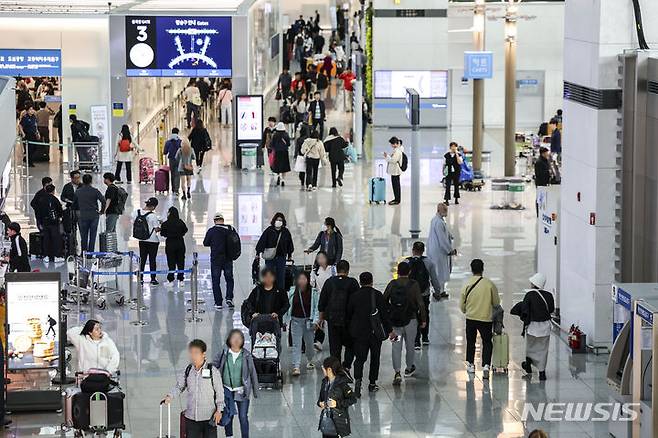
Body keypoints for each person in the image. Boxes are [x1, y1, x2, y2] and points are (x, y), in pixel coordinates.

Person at [164, 339, 224, 438]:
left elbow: (220, 393)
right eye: (191, 353)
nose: (193, 356)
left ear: (203, 354)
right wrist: (170, 396)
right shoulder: (188, 370)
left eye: (196, 353)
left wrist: (219, 410)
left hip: (209, 418)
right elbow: (179, 387)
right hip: (191, 418)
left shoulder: (213, 371)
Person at [347, 272, 395, 397]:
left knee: (359, 359)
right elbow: (384, 316)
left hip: (359, 333)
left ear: (360, 282)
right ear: (372, 281)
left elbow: (349, 314)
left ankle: (358, 381)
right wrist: (390, 330)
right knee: (375, 358)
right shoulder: (377, 295)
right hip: (375, 333)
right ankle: (372, 383)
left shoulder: (354, 296)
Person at [383, 262, 427, 385]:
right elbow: (421, 303)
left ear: (398, 272)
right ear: (409, 272)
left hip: (395, 322)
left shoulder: (392, 284)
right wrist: (423, 319)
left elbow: (384, 299)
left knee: (396, 347)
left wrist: (389, 313)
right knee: (410, 345)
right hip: (411, 321)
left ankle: (397, 372)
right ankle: (408, 368)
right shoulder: (414, 285)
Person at [213, 330, 259, 438]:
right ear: (229, 340)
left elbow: (252, 372)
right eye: (234, 337)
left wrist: (255, 391)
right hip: (226, 389)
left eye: (239, 338)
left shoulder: (246, 355)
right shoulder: (224, 353)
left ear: (243, 340)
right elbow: (214, 366)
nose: (237, 340)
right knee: (228, 415)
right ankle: (229, 436)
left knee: (243, 416)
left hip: (242, 390)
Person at [459, 259, 501, 379]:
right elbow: (496, 303)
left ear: (471, 269)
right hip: (486, 318)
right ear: (483, 269)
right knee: (487, 342)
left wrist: (466, 311)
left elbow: (462, 304)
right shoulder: (489, 284)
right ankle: (486, 365)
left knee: (471, 341)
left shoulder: (467, 284)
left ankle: (471, 365)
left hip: (471, 318)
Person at [511, 273, 555, 381]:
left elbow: (525, 311)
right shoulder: (549, 295)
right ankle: (542, 372)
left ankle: (528, 363)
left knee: (531, 348)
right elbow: (551, 310)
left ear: (534, 284)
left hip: (532, 327)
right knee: (543, 350)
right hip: (545, 327)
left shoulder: (529, 295)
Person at [317, 260, 359, 369]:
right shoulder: (353, 283)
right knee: (350, 345)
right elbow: (357, 302)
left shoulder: (329, 282)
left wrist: (320, 319)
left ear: (336, 270)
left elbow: (322, 302)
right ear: (348, 270)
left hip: (332, 320)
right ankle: (346, 366)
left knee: (335, 348)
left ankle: (337, 370)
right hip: (348, 321)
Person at [406, 241, 442, 349]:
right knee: (424, 313)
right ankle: (425, 337)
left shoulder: (406, 262)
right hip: (424, 293)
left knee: (413, 316)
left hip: (411, 295)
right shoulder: (429, 262)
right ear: (423, 251)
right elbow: (434, 279)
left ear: (413, 250)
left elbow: (402, 279)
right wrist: (437, 291)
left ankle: (416, 341)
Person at [286, 271, 319, 375]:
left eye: (304, 279)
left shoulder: (313, 293)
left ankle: (310, 360)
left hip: (309, 321)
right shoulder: (292, 292)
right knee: (297, 344)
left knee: (309, 344)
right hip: (295, 321)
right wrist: (284, 321)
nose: (302, 281)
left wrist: (316, 321)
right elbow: (288, 307)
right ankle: (296, 366)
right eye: (300, 279)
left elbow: (316, 308)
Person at [317, 356, 356, 438]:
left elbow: (353, 399)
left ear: (329, 369)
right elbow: (320, 399)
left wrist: (337, 404)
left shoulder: (342, 384)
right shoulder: (324, 382)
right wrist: (320, 403)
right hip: (326, 421)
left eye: (323, 368)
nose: (322, 370)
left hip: (338, 421)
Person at [203, 212, 236, 310]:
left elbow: (205, 243)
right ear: (223, 220)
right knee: (229, 279)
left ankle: (218, 303)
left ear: (214, 221)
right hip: (228, 259)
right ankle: (229, 298)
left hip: (216, 259)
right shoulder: (230, 229)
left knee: (216, 281)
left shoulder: (211, 231)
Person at [255, 212, 294, 291]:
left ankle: (281, 295)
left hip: (281, 257)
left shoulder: (285, 232)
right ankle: (269, 295)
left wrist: (289, 255)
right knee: (269, 276)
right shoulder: (269, 230)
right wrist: (257, 253)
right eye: (277, 219)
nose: (278, 221)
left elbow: (289, 244)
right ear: (274, 220)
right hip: (270, 258)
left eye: (280, 220)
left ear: (283, 222)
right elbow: (262, 241)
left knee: (281, 277)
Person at [427, 203, 455, 301]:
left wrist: (450, 235)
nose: (446, 212)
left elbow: (444, 232)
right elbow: (442, 239)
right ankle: (437, 291)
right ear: (439, 210)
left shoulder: (437, 220)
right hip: (439, 251)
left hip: (435, 250)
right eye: (444, 210)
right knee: (440, 272)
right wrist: (450, 250)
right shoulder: (439, 222)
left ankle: (440, 290)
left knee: (439, 271)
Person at [133, 197, 161, 285]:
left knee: (143, 259)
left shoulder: (137, 212)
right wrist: (161, 225)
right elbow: (156, 229)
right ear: (153, 207)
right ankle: (153, 279)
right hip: (152, 241)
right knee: (152, 260)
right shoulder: (153, 216)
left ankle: (140, 278)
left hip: (142, 240)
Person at [74, 174, 105, 252]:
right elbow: (103, 201)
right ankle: (90, 253)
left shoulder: (78, 192)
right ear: (91, 181)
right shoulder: (95, 191)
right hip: (94, 216)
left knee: (83, 236)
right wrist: (102, 211)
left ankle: (84, 253)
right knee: (92, 236)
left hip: (83, 215)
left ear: (83, 181)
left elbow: (74, 204)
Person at [160, 207, 188, 288]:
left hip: (170, 244)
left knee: (171, 262)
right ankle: (181, 279)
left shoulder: (166, 223)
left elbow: (162, 233)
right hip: (180, 243)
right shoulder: (180, 222)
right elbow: (185, 230)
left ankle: (171, 280)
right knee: (181, 261)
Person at [36, 184, 63, 262]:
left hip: (44, 222)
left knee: (46, 239)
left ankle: (46, 256)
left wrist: (39, 221)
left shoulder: (41, 200)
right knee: (55, 239)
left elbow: (38, 212)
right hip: (54, 223)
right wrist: (60, 217)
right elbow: (60, 210)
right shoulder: (55, 199)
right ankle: (56, 256)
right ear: (53, 191)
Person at [384, 136, 403, 205]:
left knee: (396, 186)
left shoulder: (397, 151)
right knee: (395, 185)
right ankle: (396, 199)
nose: (391, 145)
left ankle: (397, 200)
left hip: (396, 171)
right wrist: (388, 157)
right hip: (394, 171)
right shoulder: (396, 150)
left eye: (392, 144)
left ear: (395, 143)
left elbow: (393, 160)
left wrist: (387, 157)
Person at [163, 128, 182, 194]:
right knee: (177, 174)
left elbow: (165, 152)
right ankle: (177, 190)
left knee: (172, 174)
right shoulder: (180, 141)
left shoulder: (168, 142)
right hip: (179, 159)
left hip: (171, 159)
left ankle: (173, 189)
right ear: (177, 133)